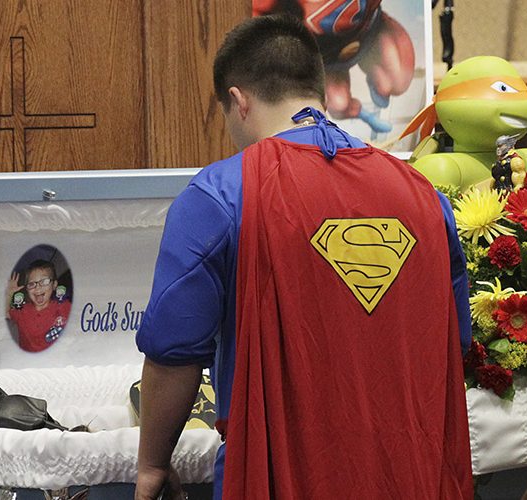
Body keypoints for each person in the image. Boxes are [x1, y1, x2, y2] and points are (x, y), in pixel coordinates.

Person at [134, 15, 472, 500]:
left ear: (237, 100)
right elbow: (454, 343)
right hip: (411, 475)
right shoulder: (423, 195)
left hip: (278, 476)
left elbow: (172, 353)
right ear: (318, 89)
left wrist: (152, 463)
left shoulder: (220, 193)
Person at [6, 259, 71, 353]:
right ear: (27, 289)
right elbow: (5, 313)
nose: (38, 287)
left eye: (44, 281)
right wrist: (9, 294)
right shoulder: (22, 311)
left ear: (54, 285)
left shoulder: (63, 306)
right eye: (32, 284)